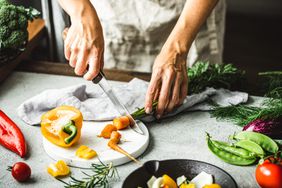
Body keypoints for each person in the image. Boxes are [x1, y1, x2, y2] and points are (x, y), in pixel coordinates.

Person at [58, 0, 223, 119]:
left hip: (190, 14)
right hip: (113, 15)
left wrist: (178, 48)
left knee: (202, 96)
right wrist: (80, 11)